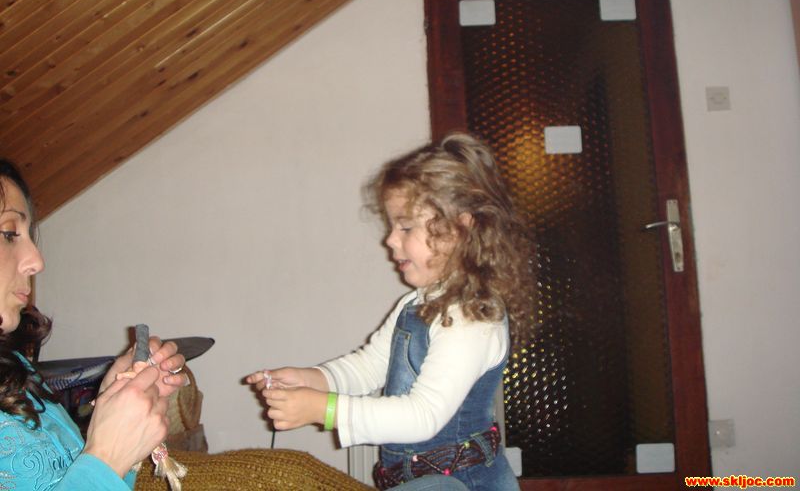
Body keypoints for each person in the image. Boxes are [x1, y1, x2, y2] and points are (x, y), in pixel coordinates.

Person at [246, 133, 536, 490]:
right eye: (392, 226)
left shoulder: (473, 317)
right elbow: (370, 365)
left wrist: (324, 408)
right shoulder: (415, 303)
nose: (390, 240)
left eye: (406, 227)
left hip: (462, 483)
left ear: (459, 228)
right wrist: (312, 379)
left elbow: (423, 416)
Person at [0, 159, 189, 489]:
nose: (37, 261)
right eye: (8, 233)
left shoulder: (14, 370)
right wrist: (107, 456)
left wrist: (113, 412)